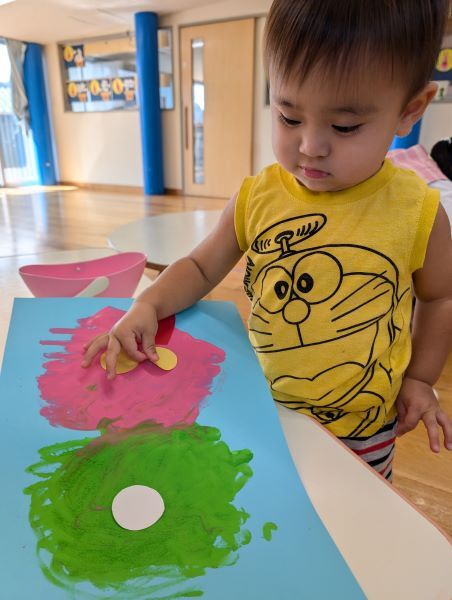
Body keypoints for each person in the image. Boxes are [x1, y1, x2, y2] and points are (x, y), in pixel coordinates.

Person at [82, 0, 452, 480]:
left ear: (410, 110)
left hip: (363, 426)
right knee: (271, 499)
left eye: (345, 126)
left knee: (351, 511)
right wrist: (148, 304)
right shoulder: (257, 196)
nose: (310, 146)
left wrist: (420, 378)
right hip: (264, 405)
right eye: (289, 117)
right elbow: (200, 267)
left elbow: (439, 298)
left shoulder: (417, 210)